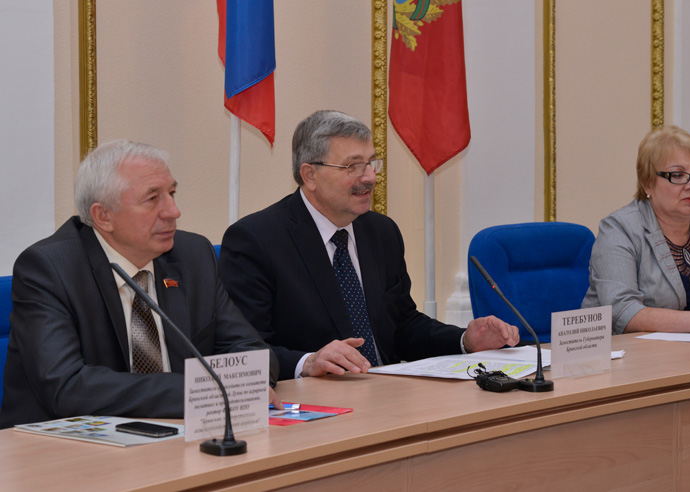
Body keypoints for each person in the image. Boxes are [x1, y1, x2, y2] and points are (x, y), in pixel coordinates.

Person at [0, 140, 281, 428]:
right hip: (65, 442)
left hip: (181, 434)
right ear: (103, 216)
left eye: (172, 193)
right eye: (152, 198)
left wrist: (239, 384)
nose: (173, 211)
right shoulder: (50, 269)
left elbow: (253, 351)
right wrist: (202, 392)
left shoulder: (193, 256)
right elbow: (66, 385)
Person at [219, 110, 519, 379]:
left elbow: (401, 325)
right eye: (352, 166)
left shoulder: (381, 231)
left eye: (371, 163)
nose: (370, 177)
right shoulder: (256, 240)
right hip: (315, 400)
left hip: (387, 391)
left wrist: (465, 341)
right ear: (310, 175)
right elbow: (241, 350)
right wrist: (307, 362)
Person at [581, 126, 690, 334]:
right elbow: (622, 311)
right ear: (647, 184)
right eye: (677, 175)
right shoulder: (620, 229)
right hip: (628, 351)